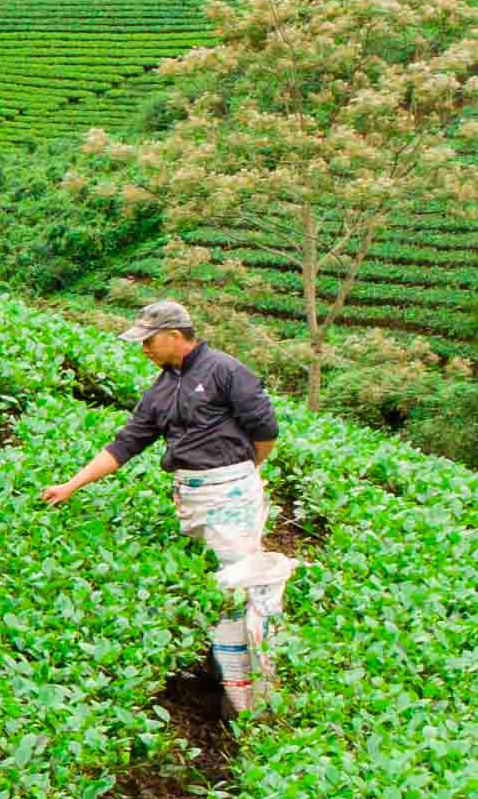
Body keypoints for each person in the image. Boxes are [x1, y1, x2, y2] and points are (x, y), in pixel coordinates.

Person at [41, 298, 294, 707]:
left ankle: (256, 689)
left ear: (175, 337)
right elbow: (126, 444)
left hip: (230, 489)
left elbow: (265, 431)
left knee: (238, 582)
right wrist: (72, 485)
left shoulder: (226, 371)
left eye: (149, 341)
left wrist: (242, 474)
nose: (144, 350)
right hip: (191, 493)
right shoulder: (160, 390)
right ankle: (223, 671)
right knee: (213, 581)